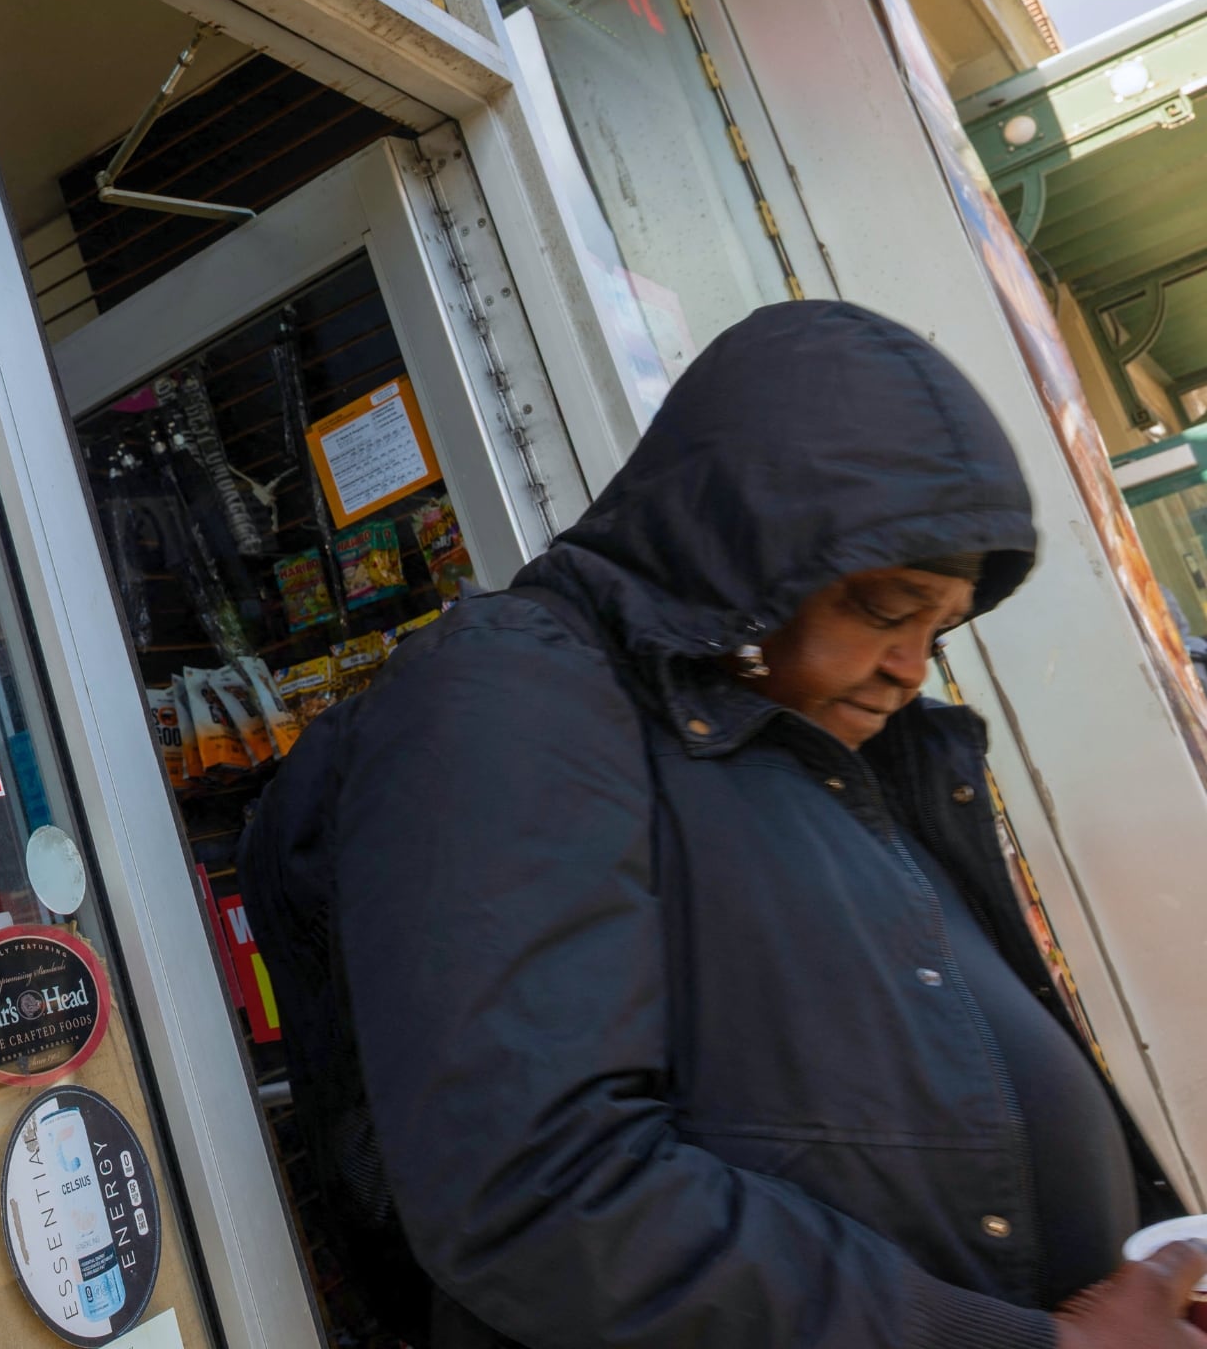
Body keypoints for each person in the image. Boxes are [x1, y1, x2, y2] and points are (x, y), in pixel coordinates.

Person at [242, 300, 1197, 1348]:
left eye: (942, 626)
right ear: (751, 550)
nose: (912, 666)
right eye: (886, 607)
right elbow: (543, 1188)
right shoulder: (516, 697)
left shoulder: (807, 750)